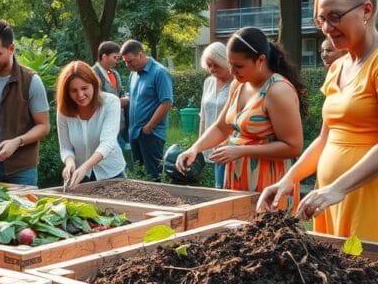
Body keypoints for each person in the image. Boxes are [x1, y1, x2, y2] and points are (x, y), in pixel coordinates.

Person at [258, 0, 378, 247]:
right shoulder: (339, 67)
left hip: (371, 194)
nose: (326, 28)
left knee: (372, 276)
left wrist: (338, 189)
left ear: (366, 11)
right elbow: (326, 137)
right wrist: (289, 179)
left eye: (335, 17)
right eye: (320, 19)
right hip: (333, 196)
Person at [176, 28, 305, 197]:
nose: (232, 71)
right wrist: (195, 148)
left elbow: (293, 147)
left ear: (261, 60)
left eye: (239, 66)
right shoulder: (239, 84)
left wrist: (241, 150)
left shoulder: (278, 91)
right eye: (230, 64)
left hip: (270, 184)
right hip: (237, 179)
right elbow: (222, 128)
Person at [0, 19, 50, 186]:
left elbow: (43, 126)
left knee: (26, 212)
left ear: (11, 48)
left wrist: (17, 142)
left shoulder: (31, 81)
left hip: (22, 169)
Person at [56, 61, 127, 189]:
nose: (80, 95)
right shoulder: (63, 111)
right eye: (73, 90)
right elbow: (65, 147)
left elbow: (107, 143)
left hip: (112, 174)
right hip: (80, 178)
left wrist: (85, 167)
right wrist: (69, 163)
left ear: (94, 84)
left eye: (84, 88)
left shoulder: (111, 103)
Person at [120, 40, 173, 181]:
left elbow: (167, 102)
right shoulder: (134, 74)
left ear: (141, 54)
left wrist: (149, 126)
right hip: (134, 133)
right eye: (125, 62)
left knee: (153, 177)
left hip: (151, 134)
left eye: (130, 61)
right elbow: (134, 97)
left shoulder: (159, 72)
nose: (128, 65)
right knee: (139, 176)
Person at [197, 42, 233, 188]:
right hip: (211, 144)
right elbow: (203, 116)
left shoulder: (237, 83)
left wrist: (228, 142)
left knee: (224, 188)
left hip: (229, 146)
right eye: (209, 65)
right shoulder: (208, 82)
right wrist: (198, 146)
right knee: (218, 186)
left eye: (216, 65)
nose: (212, 69)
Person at [91, 41, 129, 148]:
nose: (117, 61)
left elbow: (120, 92)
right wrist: (119, 102)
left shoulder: (115, 74)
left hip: (118, 125)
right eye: (115, 57)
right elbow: (92, 100)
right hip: (101, 127)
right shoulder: (91, 74)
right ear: (104, 56)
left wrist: (125, 98)